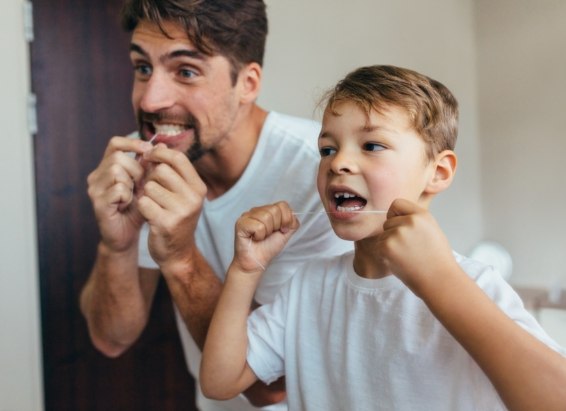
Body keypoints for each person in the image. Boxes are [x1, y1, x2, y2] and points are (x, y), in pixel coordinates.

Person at [200, 65, 566, 410]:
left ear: (438, 172)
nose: (338, 162)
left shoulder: (474, 284)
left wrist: (440, 281)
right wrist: (245, 270)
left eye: (372, 146)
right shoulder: (308, 286)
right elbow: (220, 381)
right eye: (327, 149)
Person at [79, 1, 351, 410]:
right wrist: (115, 244)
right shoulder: (144, 166)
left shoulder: (323, 177)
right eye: (142, 68)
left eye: (186, 71)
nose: (151, 101)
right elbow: (111, 338)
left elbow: (271, 386)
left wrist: (181, 258)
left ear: (248, 83)